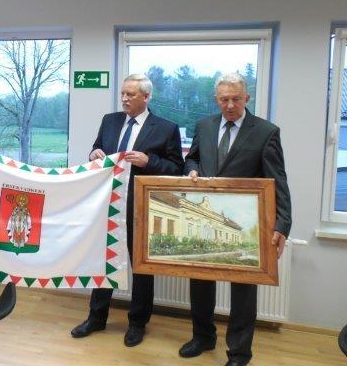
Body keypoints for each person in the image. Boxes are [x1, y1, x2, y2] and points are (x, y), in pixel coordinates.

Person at [179, 73, 292, 366]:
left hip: (245, 221)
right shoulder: (204, 126)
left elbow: (277, 179)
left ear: (247, 99)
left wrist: (282, 224)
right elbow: (192, 157)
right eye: (224, 99)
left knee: (243, 290)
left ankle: (239, 353)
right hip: (207, 216)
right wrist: (191, 170)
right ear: (216, 99)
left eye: (236, 99)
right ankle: (203, 337)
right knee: (200, 280)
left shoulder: (266, 132)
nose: (230, 105)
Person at [71, 74, 184, 347]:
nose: (124, 99)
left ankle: (137, 324)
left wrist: (149, 161)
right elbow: (96, 148)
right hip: (108, 205)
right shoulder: (109, 121)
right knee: (104, 262)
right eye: (123, 93)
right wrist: (93, 154)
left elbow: (176, 169)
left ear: (146, 97)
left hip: (141, 208)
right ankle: (96, 318)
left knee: (141, 269)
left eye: (130, 95)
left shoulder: (166, 128)